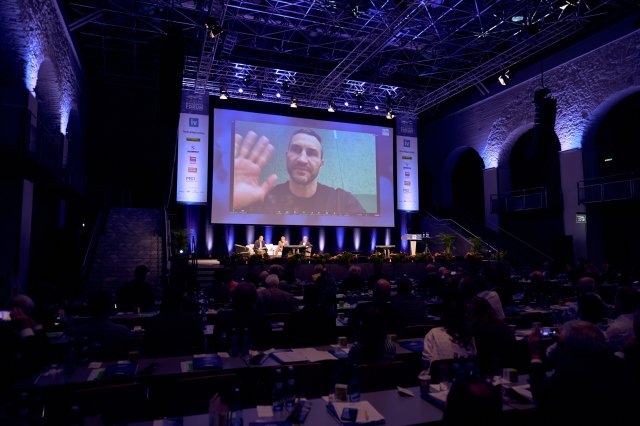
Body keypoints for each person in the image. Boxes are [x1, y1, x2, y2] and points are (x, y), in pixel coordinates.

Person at [233, 128, 366, 215]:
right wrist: (234, 201)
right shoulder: (264, 199)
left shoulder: (342, 201)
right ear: (286, 156)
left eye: (311, 153)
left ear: (321, 163)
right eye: (296, 150)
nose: (302, 159)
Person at [527, 320, 636, 425]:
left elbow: (542, 399)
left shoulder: (569, 372)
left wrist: (535, 354)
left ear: (569, 345)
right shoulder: (619, 364)